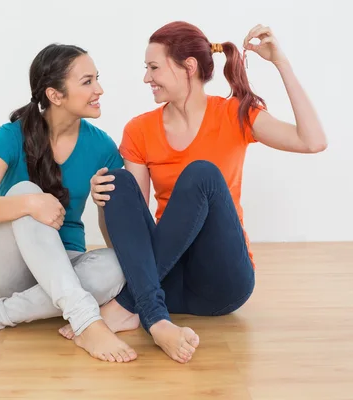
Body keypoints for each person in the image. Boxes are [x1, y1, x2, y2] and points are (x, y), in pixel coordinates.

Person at [59, 22, 327, 364]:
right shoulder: (140, 129)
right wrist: (103, 204)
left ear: (189, 67)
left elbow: (313, 141)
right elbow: (131, 242)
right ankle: (153, 317)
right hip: (163, 281)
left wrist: (281, 63)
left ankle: (128, 307)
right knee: (118, 181)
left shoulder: (236, 114)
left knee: (202, 173)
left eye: (153, 67)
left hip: (222, 283)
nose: (146, 78)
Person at [0, 43, 138, 363]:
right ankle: (86, 320)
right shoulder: (11, 136)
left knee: (118, 262)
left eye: (97, 78)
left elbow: (112, 235)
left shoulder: (103, 147)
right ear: (56, 95)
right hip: (6, 274)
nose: (99, 89)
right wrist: (30, 203)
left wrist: (104, 206)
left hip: (65, 269)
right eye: (87, 82)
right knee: (26, 190)